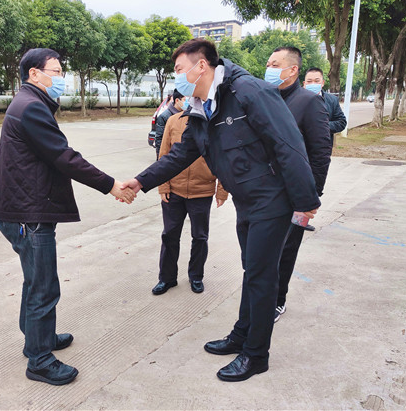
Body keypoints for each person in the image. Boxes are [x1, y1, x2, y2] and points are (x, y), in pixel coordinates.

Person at [122, 38, 320, 382]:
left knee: (261, 277)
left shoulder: (250, 92)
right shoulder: (202, 106)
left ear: (202, 66)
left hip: (272, 200)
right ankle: (241, 334)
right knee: (251, 271)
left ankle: (256, 355)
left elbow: (288, 144)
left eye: (179, 69)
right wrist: (141, 181)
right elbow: (182, 153)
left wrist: (306, 202)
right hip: (247, 200)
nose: (177, 76)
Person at [0, 48, 135, 386]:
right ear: (34, 74)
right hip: (29, 215)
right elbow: (64, 157)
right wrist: (111, 185)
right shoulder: (31, 108)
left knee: (35, 281)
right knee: (43, 287)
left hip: (25, 211)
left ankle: (37, 339)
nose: (61, 78)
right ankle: (40, 360)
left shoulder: (28, 103)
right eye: (55, 72)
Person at [265, 47, 332, 323]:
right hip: (265, 192)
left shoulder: (308, 102)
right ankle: (262, 297)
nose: (269, 69)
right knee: (263, 251)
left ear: (293, 69)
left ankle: (277, 300)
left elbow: (320, 153)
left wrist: (311, 197)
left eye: (275, 64)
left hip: (296, 195)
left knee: (286, 249)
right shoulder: (266, 98)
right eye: (268, 64)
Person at [152, 107, 229, 295]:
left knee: (200, 237)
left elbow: (223, 158)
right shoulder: (173, 121)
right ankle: (167, 278)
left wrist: (222, 191)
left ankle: (196, 276)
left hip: (202, 191)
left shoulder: (213, 123)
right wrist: (163, 185)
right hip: (174, 190)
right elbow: (164, 154)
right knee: (169, 235)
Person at [303, 67, 348, 145]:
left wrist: (322, 126)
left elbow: (341, 122)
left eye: (317, 81)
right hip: (301, 147)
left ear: (322, 83)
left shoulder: (332, 100)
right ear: (304, 83)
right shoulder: (296, 99)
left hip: (323, 146)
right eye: (309, 81)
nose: (313, 84)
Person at [155, 89, 185, 159]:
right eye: (185, 100)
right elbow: (160, 140)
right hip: (171, 157)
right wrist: (161, 160)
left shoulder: (186, 115)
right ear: (177, 100)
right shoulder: (165, 117)